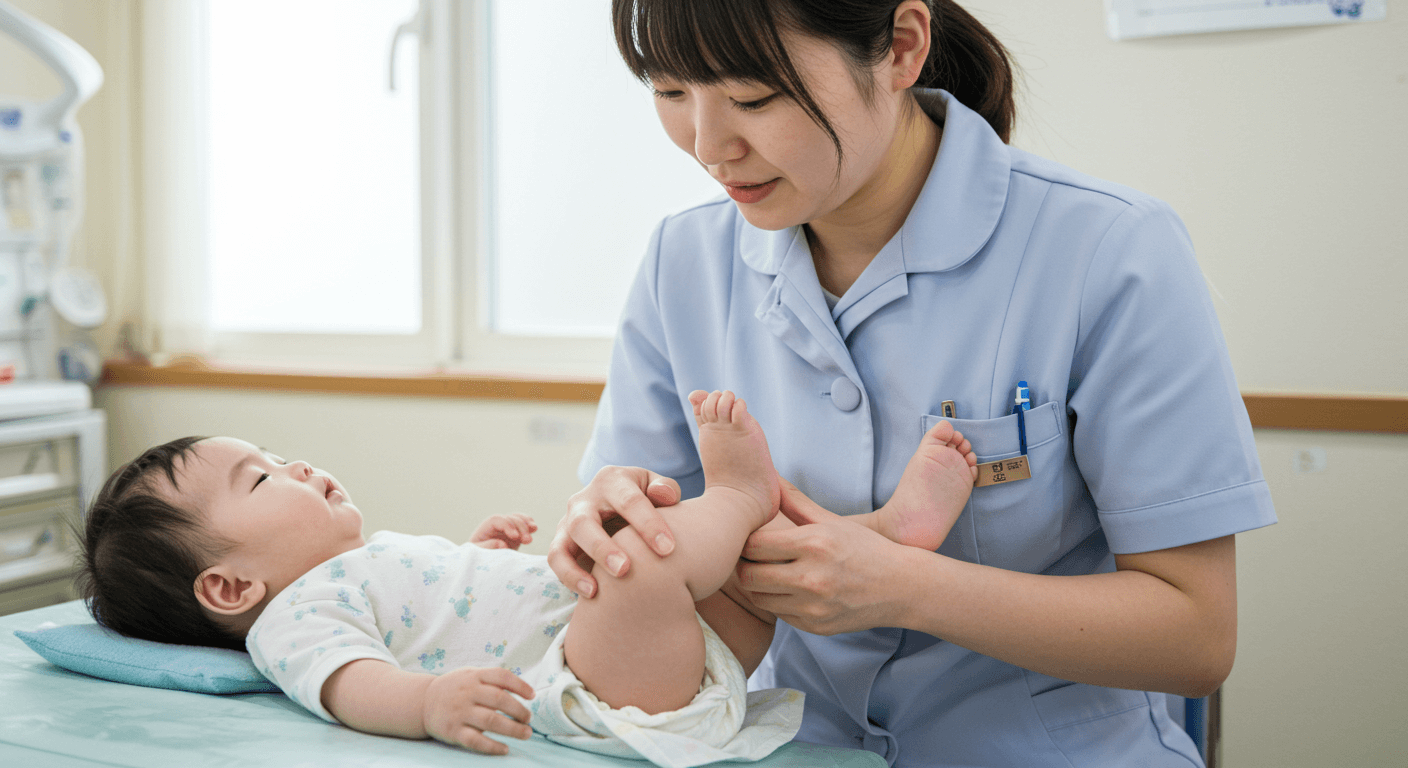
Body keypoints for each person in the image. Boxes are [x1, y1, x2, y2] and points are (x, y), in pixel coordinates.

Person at [551, 1, 1279, 766]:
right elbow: (656, 563)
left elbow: (1195, 636)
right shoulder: (683, 259)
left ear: (902, 47)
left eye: (753, 98)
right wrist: (613, 538)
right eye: (670, 92)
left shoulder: (1109, 248)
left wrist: (908, 586)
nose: (708, 145)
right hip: (788, 749)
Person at [76, 390, 978, 764]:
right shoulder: (292, 622)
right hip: (591, 693)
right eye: (264, 478)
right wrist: (426, 707)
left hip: (646, 653)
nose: (299, 467)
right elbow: (350, 684)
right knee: (633, 553)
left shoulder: (361, 565)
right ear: (229, 588)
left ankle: (883, 534)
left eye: (278, 453)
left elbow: (439, 617)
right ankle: (742, 490)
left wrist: (485, 555)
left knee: (724, 566)